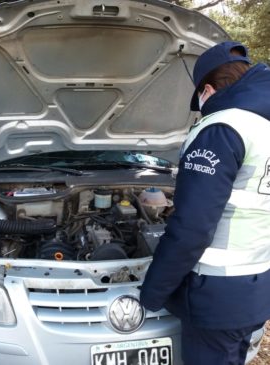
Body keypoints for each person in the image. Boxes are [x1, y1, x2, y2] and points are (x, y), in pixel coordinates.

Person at [140, 41, 270, 365]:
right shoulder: (263, 127)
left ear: (207, 90)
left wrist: (153, 292)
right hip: (254, 288)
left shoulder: (222, 128)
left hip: (215, 295)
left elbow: (192, 230)